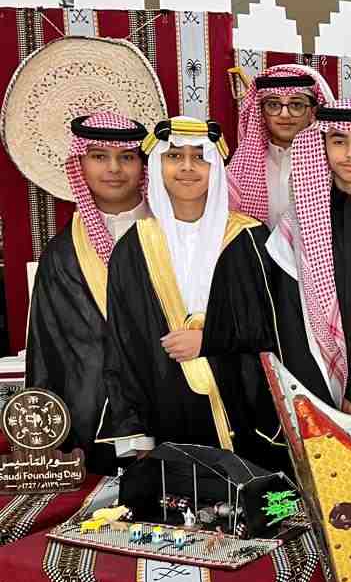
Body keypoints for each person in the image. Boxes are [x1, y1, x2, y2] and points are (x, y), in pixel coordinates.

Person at [203, 98, 351, 417]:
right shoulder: (300, 219)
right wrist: (318, 402)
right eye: (339, 141)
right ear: (323, 146)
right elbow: (291, 322)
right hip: (318, 394)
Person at [97, 117, 285, 472]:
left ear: (216, 168)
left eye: (199, 157)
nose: (186, 167)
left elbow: (276, 328)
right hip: (165, 417)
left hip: (246, 417)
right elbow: (123, 347)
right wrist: (137, 437)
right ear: (158, 166)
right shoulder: (133, 247)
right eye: (174, 156)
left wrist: (208, 339)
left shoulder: (250, 238)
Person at [26, 112, 149, 475]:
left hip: (171, 412)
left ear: (143, 165)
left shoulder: (176, 236)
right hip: (92, 423)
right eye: (99, 156)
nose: (114, 169)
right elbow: (46, 350)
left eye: (126, 157)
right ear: (79, 164)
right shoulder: (62, 254)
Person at [227, 64, 333, 227]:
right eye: (273, 105)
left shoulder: (334, 167)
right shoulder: (239, 171)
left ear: (313, 113)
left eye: (296, 105)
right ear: (261, 113)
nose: (284, 114)